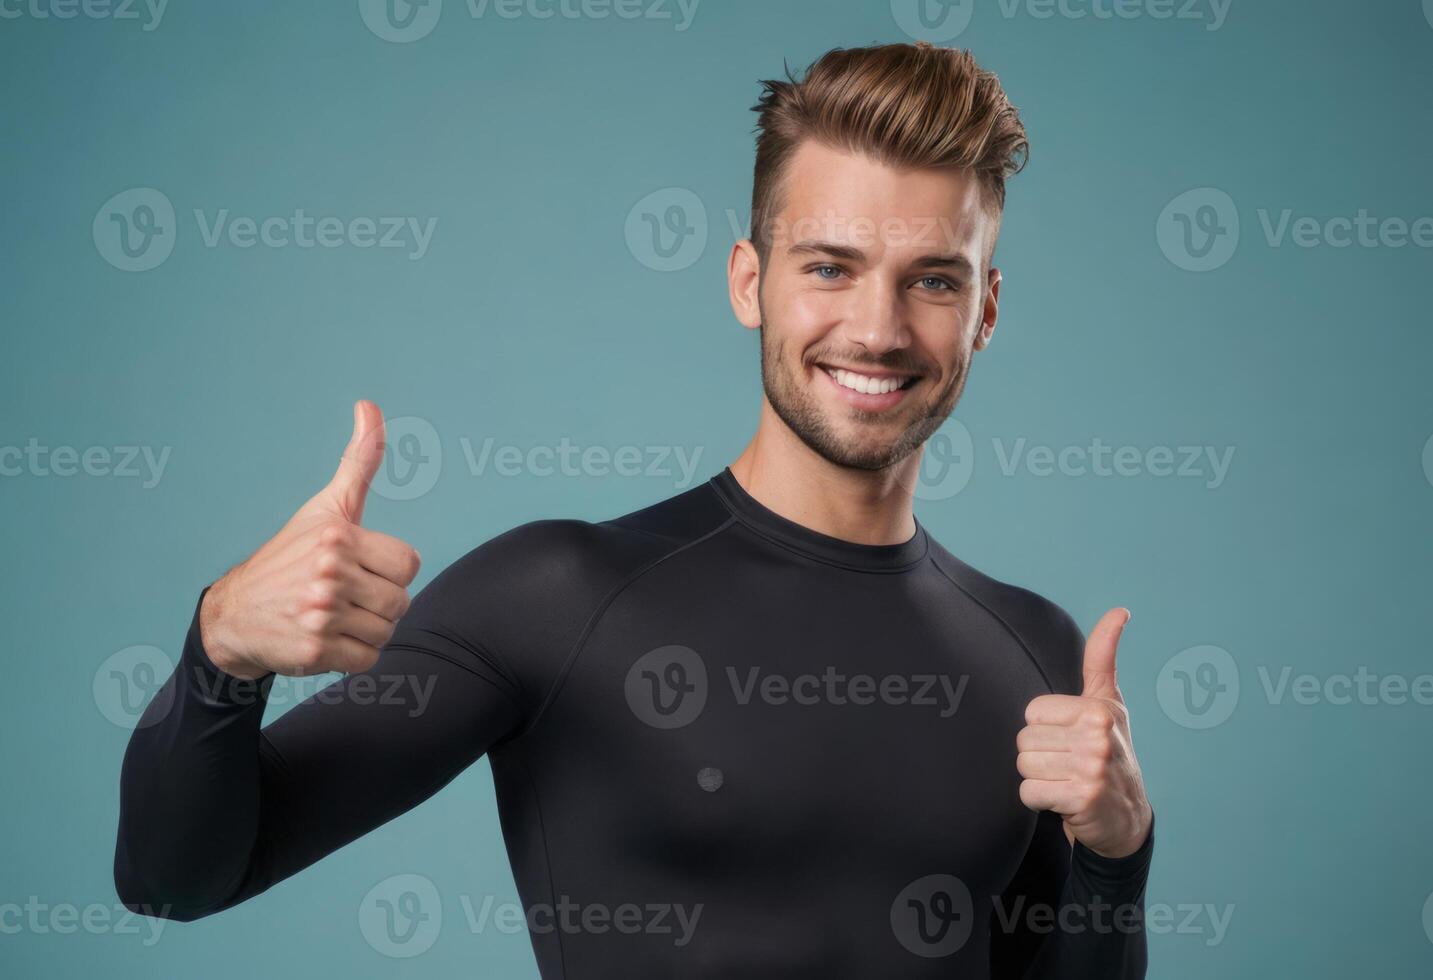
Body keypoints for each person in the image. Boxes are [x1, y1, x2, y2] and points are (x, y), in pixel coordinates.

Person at [115, 41, 1155, 978]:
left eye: (931, 280)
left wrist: (1115, 855)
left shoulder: (1034, 651)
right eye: (828, 267)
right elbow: (174, 879)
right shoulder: (557, 598)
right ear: (749, 281)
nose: (875, 329)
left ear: (983, 310)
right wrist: (220, 654)